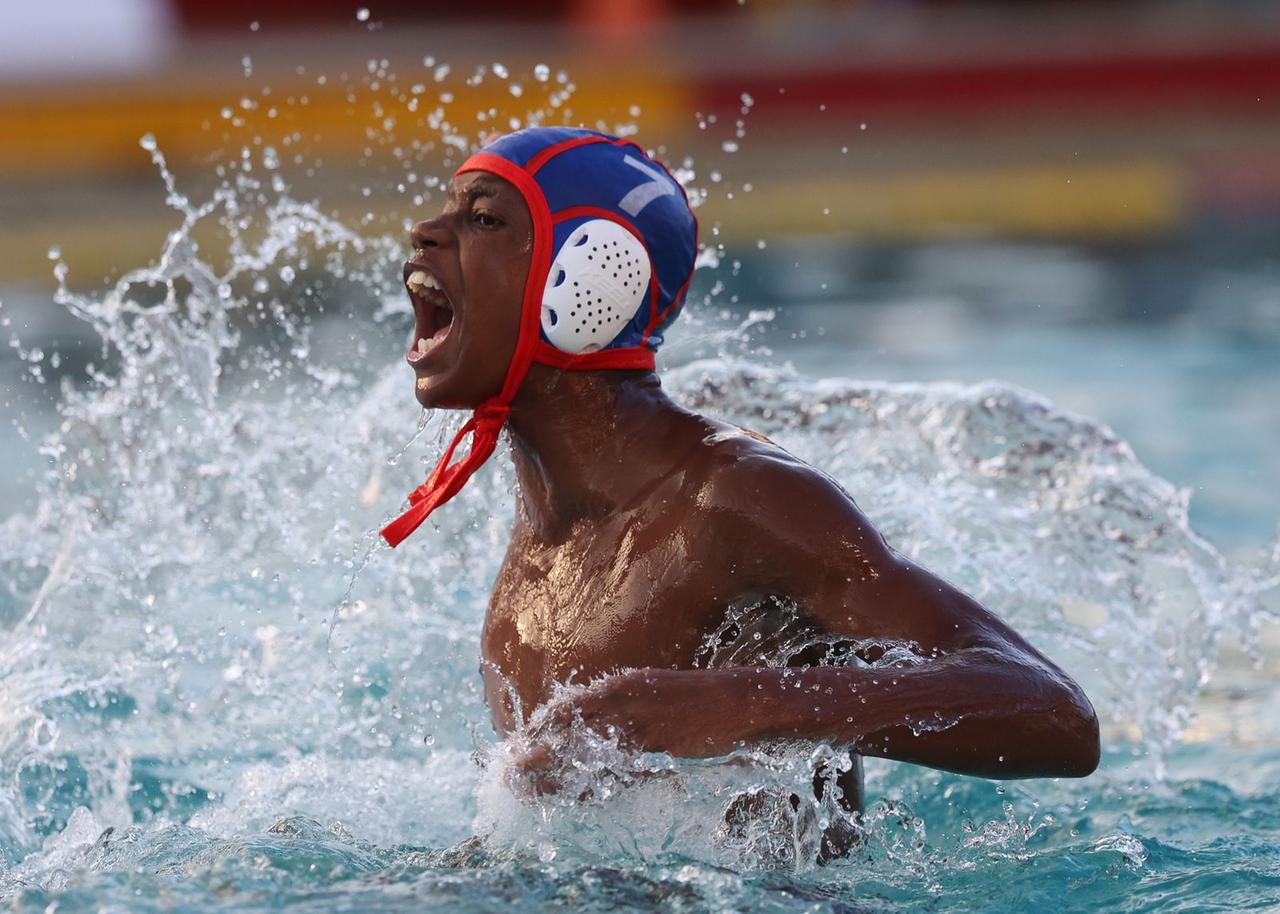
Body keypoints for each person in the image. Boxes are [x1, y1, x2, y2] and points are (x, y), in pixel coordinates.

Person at [385, 127, 1099, 838]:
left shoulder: (728, 497)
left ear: (592, 278)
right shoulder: (542, 534)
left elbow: (1055, 715)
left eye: (483, 219)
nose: (427, 232)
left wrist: (737, 702)